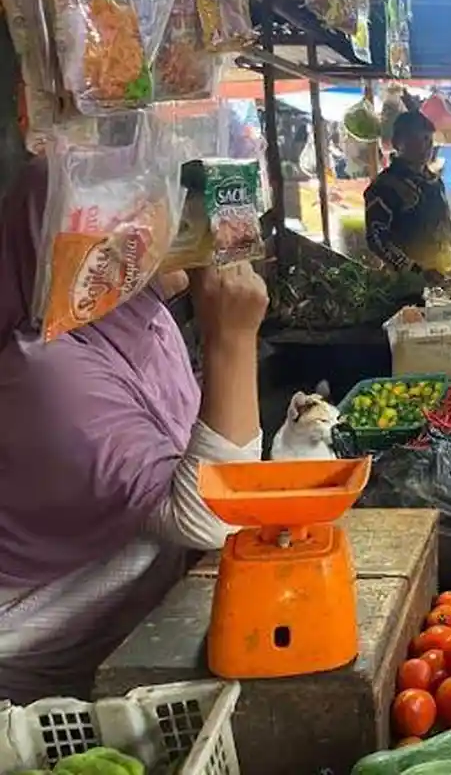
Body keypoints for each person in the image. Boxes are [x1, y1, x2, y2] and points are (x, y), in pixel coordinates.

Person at [0, 157, 267, 703]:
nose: (165, 230)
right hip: (46, 686)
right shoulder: (46, 372)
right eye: (131, 220)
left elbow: (199, 458)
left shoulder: (147, 323)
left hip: (133, 631)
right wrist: (231, 342)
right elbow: (208, 518)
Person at [364, 111, 451, 285]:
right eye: (418, 140)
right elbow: (376, 238)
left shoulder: (434, 182)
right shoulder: (385, 186)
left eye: (428, 140)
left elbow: (446, 221)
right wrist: (415, 270)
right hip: (405, 285)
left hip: (444, 277)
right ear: (398, 143)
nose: (425, 147)